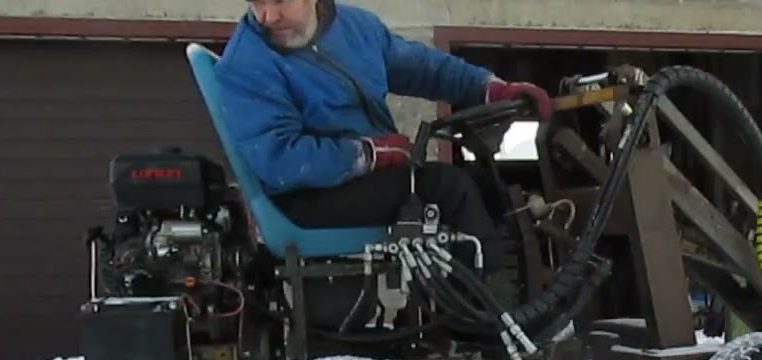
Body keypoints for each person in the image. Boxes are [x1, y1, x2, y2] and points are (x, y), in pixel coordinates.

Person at [214, 0, 551, 289]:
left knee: (489, 188)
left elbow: (423, 68)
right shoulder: (247, 63)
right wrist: (366, 155)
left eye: (280, 1)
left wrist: (490, 89)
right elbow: (280, 160)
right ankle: (496, 324)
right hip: (304, 195)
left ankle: (501, 302)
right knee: (449, 188)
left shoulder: (356, 29)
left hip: (359, 181)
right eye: (257, 2)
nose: (268, 17)